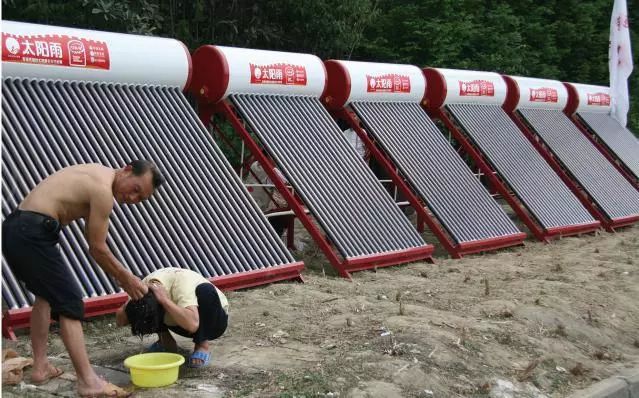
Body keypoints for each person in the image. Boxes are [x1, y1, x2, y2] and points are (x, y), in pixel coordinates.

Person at [2, 161, 164, 398]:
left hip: (17, 228)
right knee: (70, 302)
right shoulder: (103, 190)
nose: (132, 198)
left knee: (46, 296)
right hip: (32, 231)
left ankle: (40, 368)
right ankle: (89, 382)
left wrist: (122, 276)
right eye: (136, 189)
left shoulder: (95, 174)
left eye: (140, 199)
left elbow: (93, 241)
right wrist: (127, 278)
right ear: (127, 169)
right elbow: (97, 248)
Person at [115, 267, 229, 368]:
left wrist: (164, 300)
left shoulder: (181, 281)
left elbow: (193, 325)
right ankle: (166, 342)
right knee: (148, 306)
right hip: (178, 322)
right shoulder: (142, 288)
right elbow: (120, 320)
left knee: (205, 290)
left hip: (212, 322)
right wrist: (127, 301)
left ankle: (202, 345)